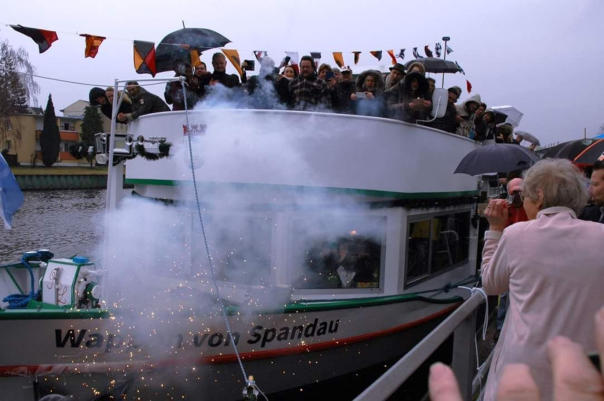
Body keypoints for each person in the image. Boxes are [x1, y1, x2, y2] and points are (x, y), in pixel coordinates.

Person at [481, 158, 604, 401]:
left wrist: (494, 231)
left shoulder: (516, 235)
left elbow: (491, 284)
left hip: (524, 370)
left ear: (538, 196)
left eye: (524, 196)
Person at [428, 306, 604, 401]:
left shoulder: (519, 246)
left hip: (523, 360)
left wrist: (491, 245)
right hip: (581, 360)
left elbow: (491, 281)